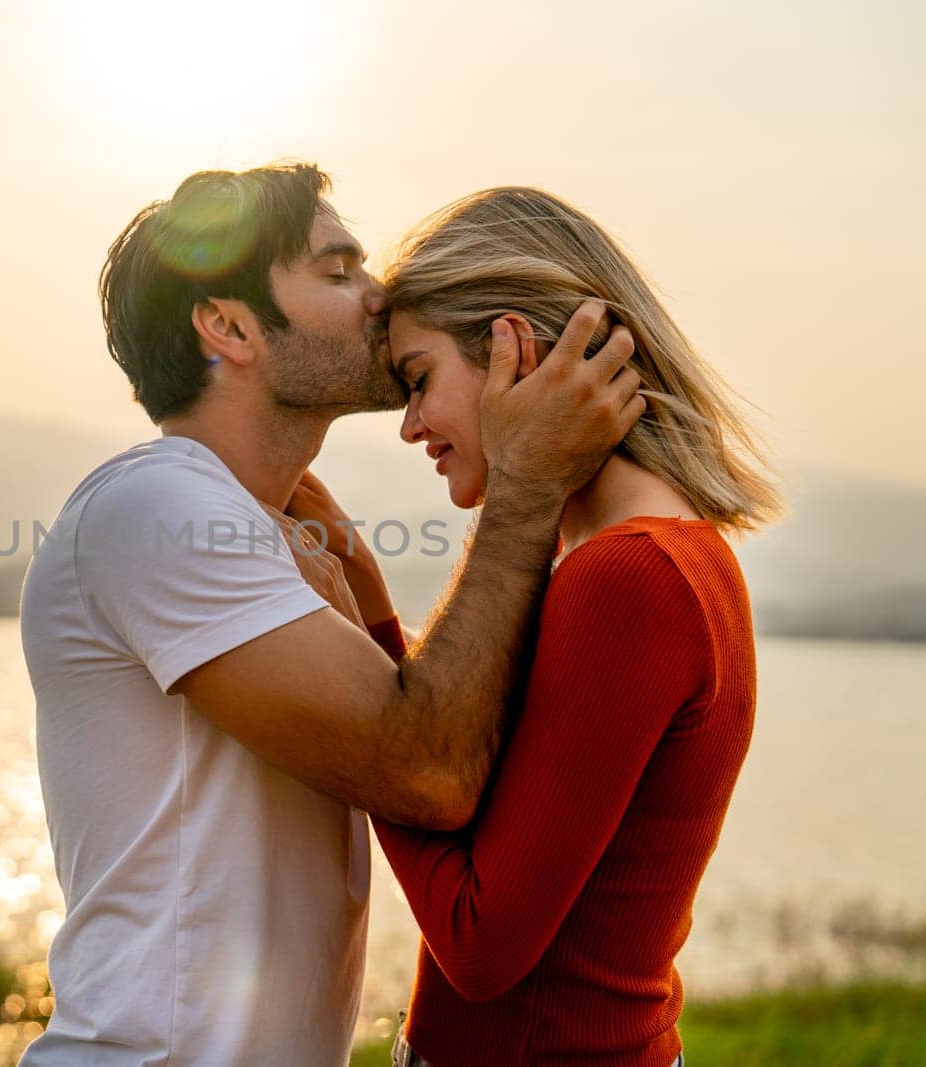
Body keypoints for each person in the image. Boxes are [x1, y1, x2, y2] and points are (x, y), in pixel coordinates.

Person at [17, 164, 645, 1064]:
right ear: (228, 326)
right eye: (338, 269)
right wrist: (525, 482)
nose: (379, 294)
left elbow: (446, 721)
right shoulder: (157, 508)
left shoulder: (265, 531)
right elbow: (427, 763)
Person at [297, 186, 781, 1066]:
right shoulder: (675, 555)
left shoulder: (628, 581)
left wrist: (364, 674)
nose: (410, 425)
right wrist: (370, 593)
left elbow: (480, 942)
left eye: (417, 380)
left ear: (516, 350)